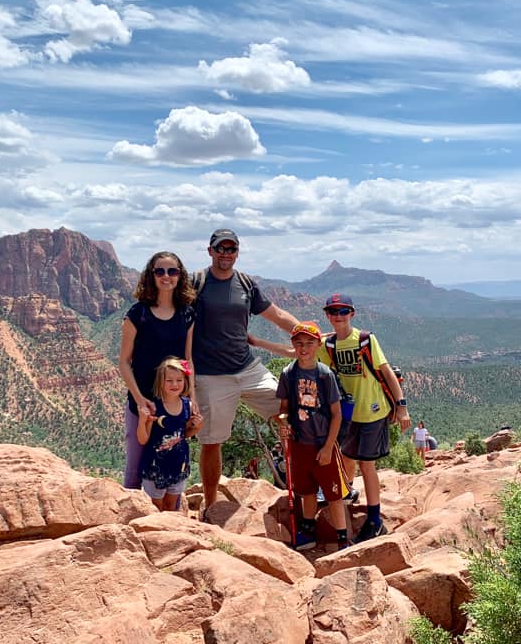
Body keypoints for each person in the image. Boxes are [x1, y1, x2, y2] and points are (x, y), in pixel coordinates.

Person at [192, 228, 299, 512]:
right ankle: (212, 504)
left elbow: (276, 315)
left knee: (290, 413)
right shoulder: (197, 283)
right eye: (221, 249)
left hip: (248, 368)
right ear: (210, 250)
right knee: (212, 442)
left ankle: (300, 487)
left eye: (231, 249)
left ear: (237, 252)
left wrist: (305, 333)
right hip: (211, 375)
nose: (226, 254)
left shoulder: (246, 283)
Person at [317, 293, 412, 543]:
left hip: (373, 412)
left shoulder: (365, 340)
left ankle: (374, 520)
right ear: (327, 315)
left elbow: (386, 371)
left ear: (352, 314)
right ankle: (347, 494)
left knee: (366, 465)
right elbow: (303, 356)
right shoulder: (329, 346)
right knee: (347, 456)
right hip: (348, 415)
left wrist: (401, 406)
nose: (338, 316)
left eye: (343, 311)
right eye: (333, 312)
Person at [118, 251, 199, 489]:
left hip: (174, 403)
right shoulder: (138, 314)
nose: (166, 276)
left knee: (172, 464)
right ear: (151, 276)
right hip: (143, 403)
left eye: (172, 271)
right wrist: (140, 399)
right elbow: (124, 362)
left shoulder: (187, 314)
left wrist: (192, 398)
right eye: (160, 271)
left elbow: (188, 360)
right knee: (135, 469)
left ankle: (169, 523)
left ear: (180, 276)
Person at [276, 321, 351, 551]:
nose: (304, 348)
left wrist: (329, 447)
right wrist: (283, 422)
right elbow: (284, 407)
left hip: (322, 443)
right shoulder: (288, 374)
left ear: (318, 345)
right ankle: (308, 530)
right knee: (307, 490)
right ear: (293, 345)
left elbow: (337, 414)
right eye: (299, 343)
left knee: (334, 494)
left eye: (309, 343)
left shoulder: (325, 375)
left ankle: (342, 538)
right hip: (300, 443)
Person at [138, 357, 203, 511]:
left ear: (185, 381)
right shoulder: (154, 407)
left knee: (171, 505)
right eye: (169, 380)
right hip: (155, 467)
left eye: (179, 380)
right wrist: (142, 421)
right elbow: (143, 439)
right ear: (161, 381)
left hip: (178, 465)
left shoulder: (188, 405)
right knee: (155, 506)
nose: (175, 384)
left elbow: (183, 434)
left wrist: (197, 428)